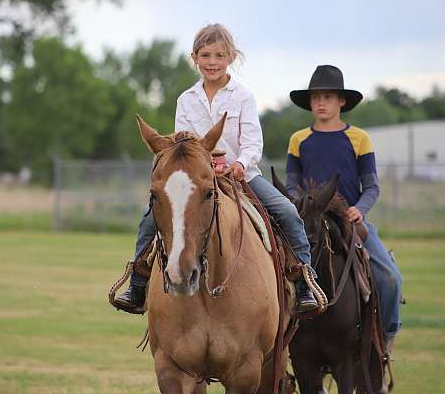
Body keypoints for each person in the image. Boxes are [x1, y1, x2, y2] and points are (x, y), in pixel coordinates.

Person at [114, 23, 318, 314]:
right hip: (198, 179)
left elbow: (252, 144)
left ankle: (303, 282)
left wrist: (237, 165)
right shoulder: (186, 99)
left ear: (231, 57)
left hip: (241, 177)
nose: (212, 62)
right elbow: (181, 147)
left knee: (286, 211)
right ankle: (137, 282)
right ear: (194, 57)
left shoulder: (243, 97)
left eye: (219, 55)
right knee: (150, 218)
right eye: (206, 55)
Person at [285, 64, 403, 352]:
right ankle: (278, 346)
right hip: (308, 226)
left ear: (342, 101)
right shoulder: (299, 139)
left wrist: (359, 209)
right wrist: (303, 206)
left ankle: (384, 337)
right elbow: (291, 187)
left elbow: (372, 186)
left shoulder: (359, 138)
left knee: (390, 278)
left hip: (349, 221)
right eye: (315, 97)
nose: (321, 102)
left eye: (328, 96)